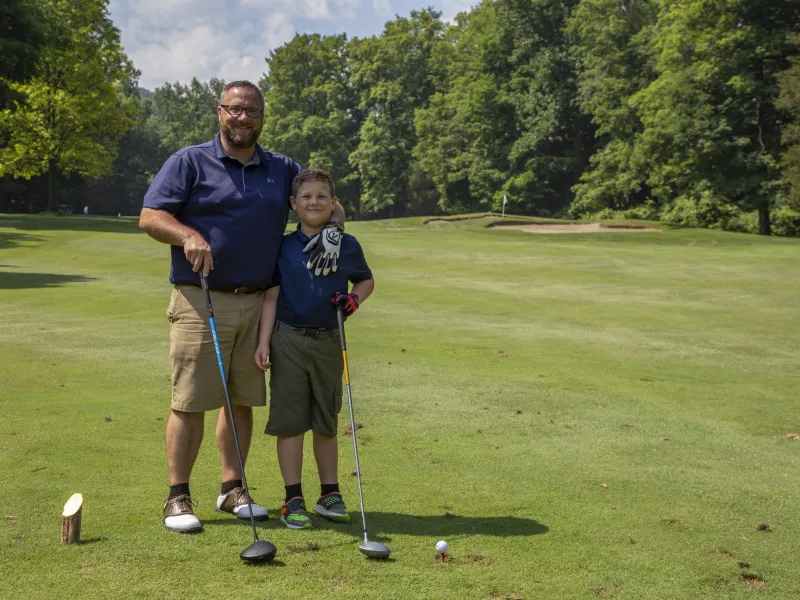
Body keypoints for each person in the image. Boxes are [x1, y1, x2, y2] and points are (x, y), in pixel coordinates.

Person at [139, 80, 345, 534]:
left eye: (252, 111)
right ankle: (178, 496)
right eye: (236, 110)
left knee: (241, 401)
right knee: (190, 401)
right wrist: (188, 235)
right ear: (220, 112)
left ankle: (232, 488)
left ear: (262, 116)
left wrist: (334, 229)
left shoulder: (281, 168)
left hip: (260, 303)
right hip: (200, 298)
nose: (244, 118)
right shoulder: (190, 161)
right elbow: (151, 215)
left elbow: (323, 202)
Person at [254, 168, 374, 529]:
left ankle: (329, 494)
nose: (314, 202)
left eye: (322, 196)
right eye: (306, 197)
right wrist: (263, 342)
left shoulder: (345, 243)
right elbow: (271, 297)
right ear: (294, 204)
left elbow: (365, 280)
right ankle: (293, 497)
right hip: (288, 338)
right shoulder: (284, 246)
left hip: (328, 340)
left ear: (334, 203)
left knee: (326, 420)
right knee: (291, 422)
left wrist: (354, 299)